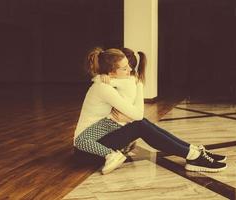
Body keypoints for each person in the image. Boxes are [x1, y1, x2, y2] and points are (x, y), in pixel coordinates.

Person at [74, 47, 227, 175]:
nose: (130, 70)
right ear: (112, 73)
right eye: (124, 68)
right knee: (139, 124)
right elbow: (138, 114)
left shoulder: (108, 83)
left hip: (102, 136)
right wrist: (139, 85)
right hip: (89, 150)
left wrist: (133, 87)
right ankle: (193, 155)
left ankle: (192, 150)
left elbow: (133, 110)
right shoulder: (103, 88)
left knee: (142, 123)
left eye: (129, 65)